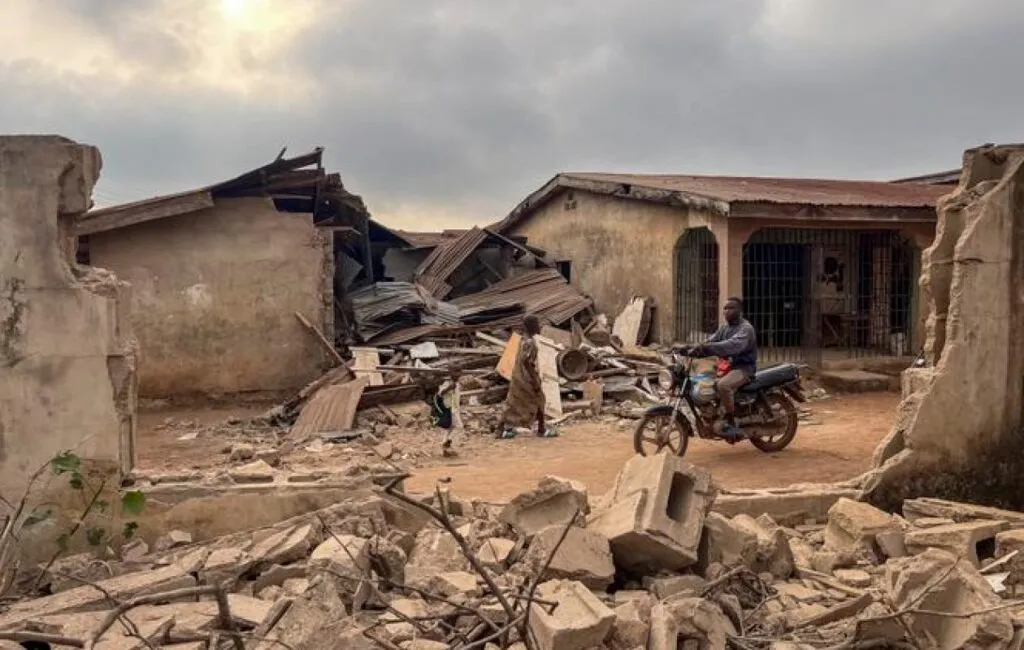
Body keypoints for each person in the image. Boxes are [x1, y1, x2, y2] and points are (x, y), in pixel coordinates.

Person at [684, 297, 757, 440]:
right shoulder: (724, 328)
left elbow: (731, 345)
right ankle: (716, 414)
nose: (726, 311)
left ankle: (730, 421)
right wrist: (689, 349)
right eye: (725, 308)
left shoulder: (746, 329)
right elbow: (710, 341)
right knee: (703, 381)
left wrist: (706, 347)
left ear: (740, 311)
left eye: (731, 308)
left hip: (743, 368)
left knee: (722, 385)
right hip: (726, 368)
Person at [498, 314, 557, 439]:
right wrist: (534, 379)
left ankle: (501, 429)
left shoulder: (523, 339)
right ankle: (541, 429)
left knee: (512, 403)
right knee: (540, 399)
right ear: (531, 326)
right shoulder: (530, 342)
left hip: (517, 375)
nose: (539, 326)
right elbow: (526, 361)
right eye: (537, 324)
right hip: (526, 377)